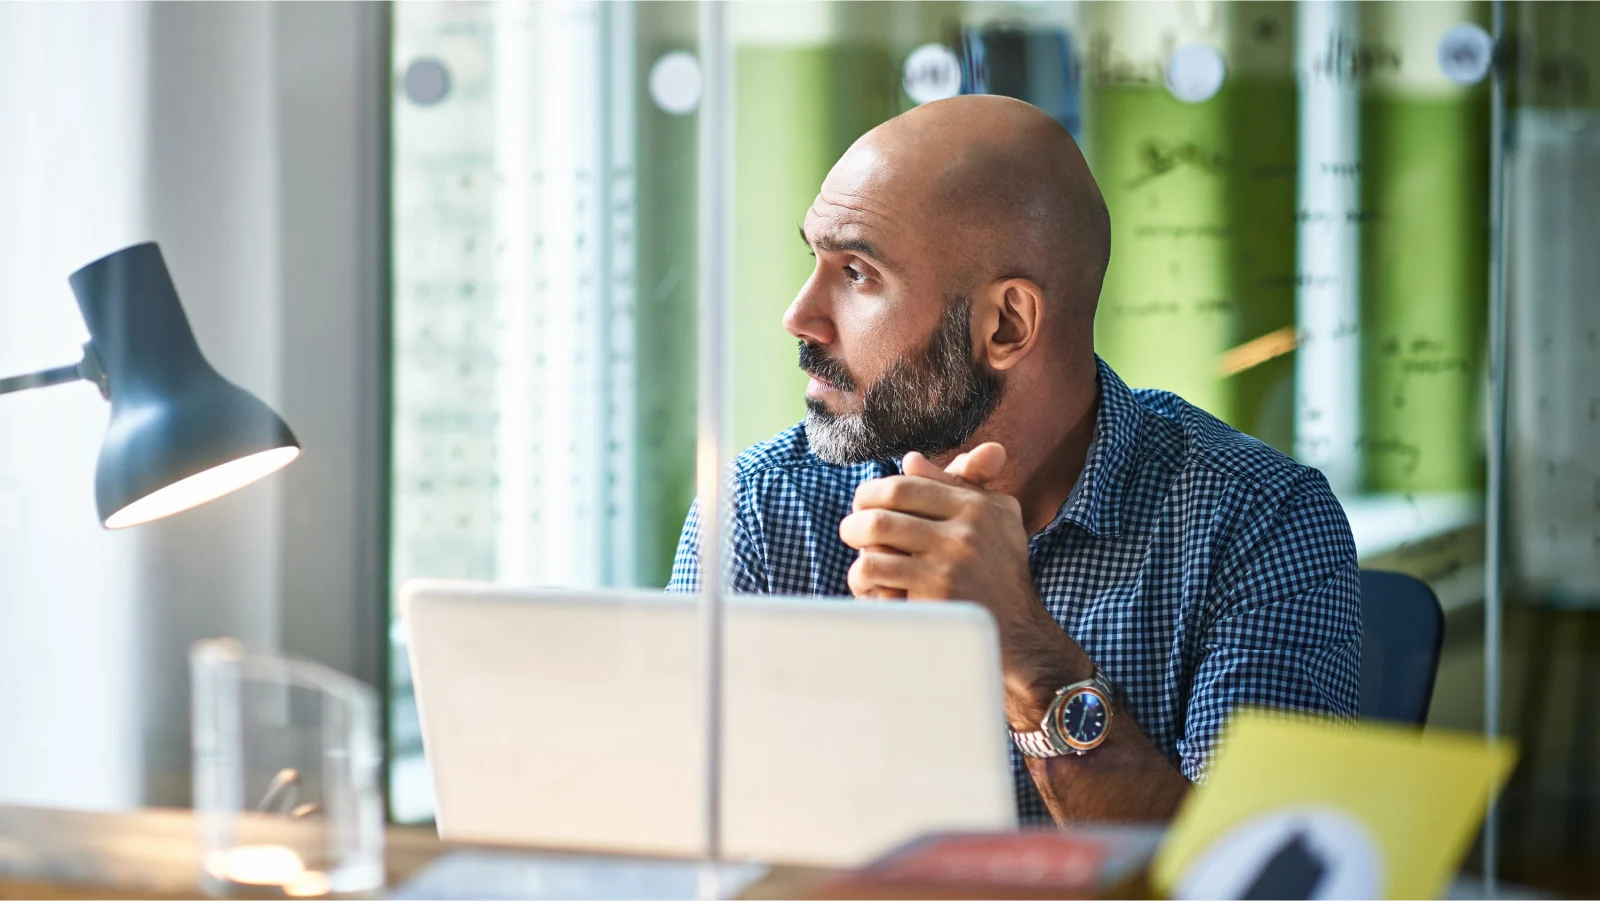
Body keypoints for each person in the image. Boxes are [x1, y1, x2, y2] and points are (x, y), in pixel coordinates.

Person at [666, 95, 1361, 826]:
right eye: (815, 259)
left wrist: (1025, 649)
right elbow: (668, 838)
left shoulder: (1263, 524)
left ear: (1006, 324)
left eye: (858, 272)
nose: (800, 316)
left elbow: (1258, 877)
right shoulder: (760, 508)